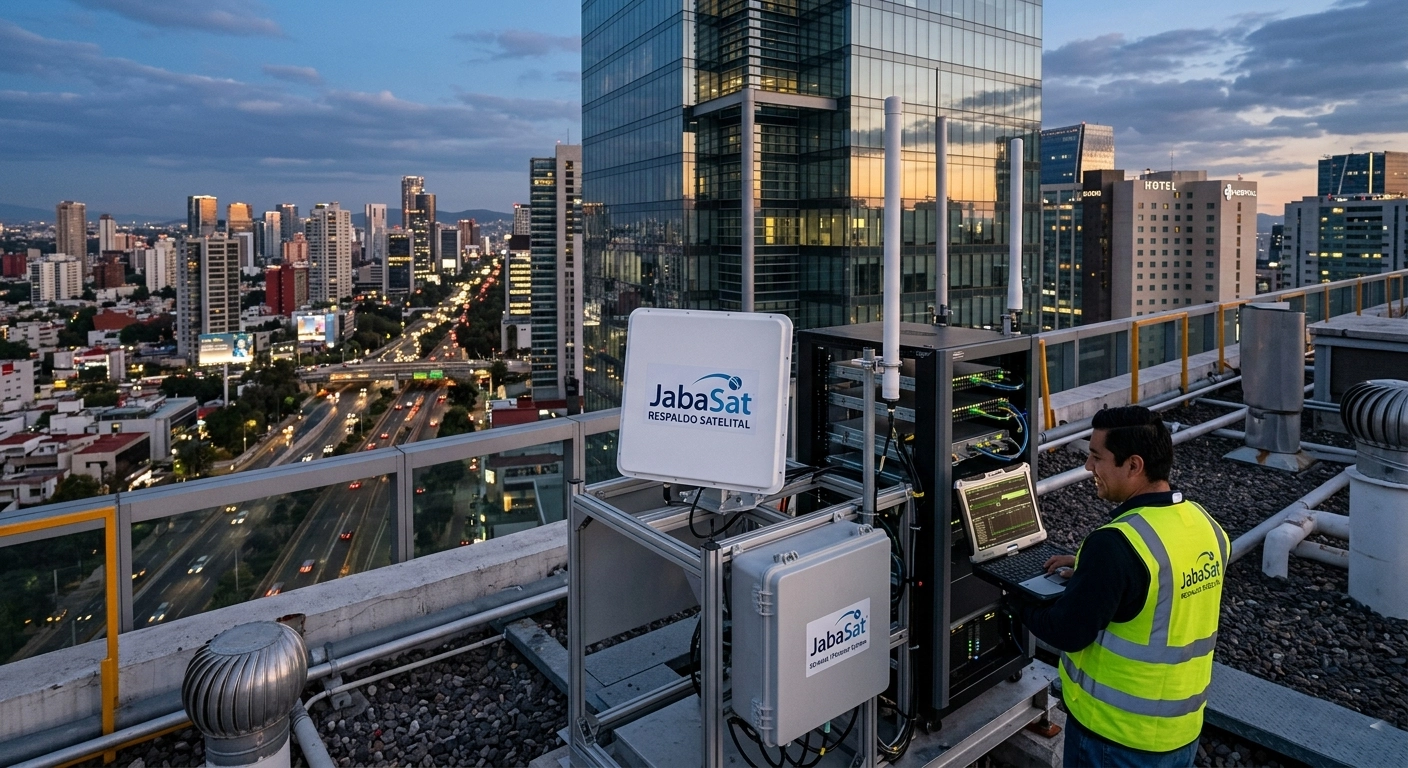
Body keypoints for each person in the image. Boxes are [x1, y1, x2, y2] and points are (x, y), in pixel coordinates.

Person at [1017, 406, 1228, 768]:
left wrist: (1011, 596)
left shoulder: (1116, 546)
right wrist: (1090, 572)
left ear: (1134, 465)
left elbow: (1067, 631)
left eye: (1097, 457)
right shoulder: (1207, 526)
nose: (1087, 468)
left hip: (1113, 739)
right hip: (1180, 735)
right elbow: (1157, 589)